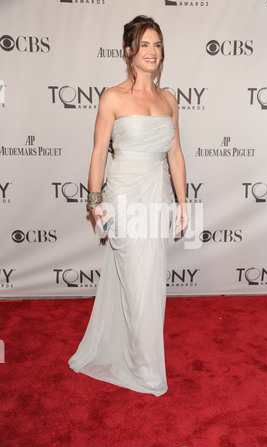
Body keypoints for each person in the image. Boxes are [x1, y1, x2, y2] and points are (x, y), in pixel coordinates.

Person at [68, 15, 188, 397]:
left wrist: (183, 203)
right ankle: (146, 369)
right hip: (123, 197)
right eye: (145, 45)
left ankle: (139, 357)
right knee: (139, 283)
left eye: (157, 45)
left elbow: (175, 154)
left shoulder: (169, 99)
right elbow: (99, 152)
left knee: (150, 282)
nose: (152, 52)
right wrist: (94, 201)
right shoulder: (113, 97)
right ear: (128, 51)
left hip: (157, 196)